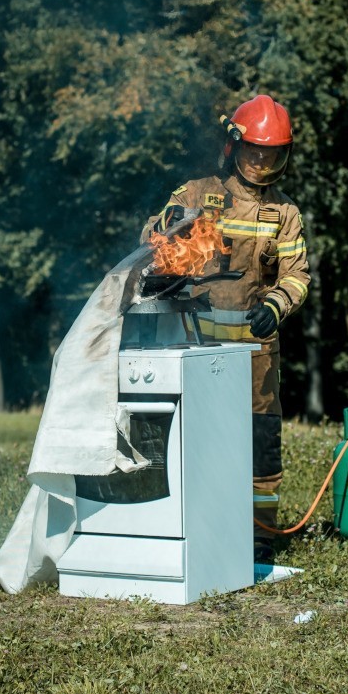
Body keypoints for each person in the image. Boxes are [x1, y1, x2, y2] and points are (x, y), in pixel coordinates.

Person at [141, 94, 310, 563]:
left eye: (271, 153)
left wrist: (276, 306)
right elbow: (150, 243)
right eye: (254, 150)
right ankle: (188, 529)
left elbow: (298, 275)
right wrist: (168, 226)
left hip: (257, 355)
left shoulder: (285, 214)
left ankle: (260, 539)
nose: (261, 161)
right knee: (191, 442)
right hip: (193, 346)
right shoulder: (198, 193)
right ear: (234, 147)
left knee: (260, 446)